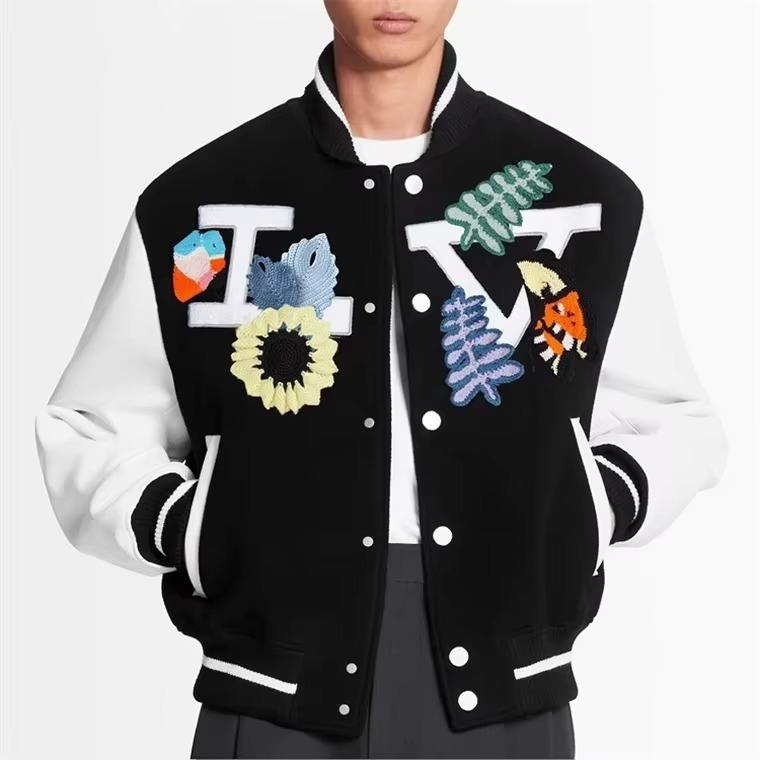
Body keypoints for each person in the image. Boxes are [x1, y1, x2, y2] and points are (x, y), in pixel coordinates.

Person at [34, 1, 728, 758]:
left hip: (507, 696)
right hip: (270, 693)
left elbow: (676, 422)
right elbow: (91, 427)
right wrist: (196, 528)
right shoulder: (198, 201)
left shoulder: (585, 199)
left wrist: (585, 506)